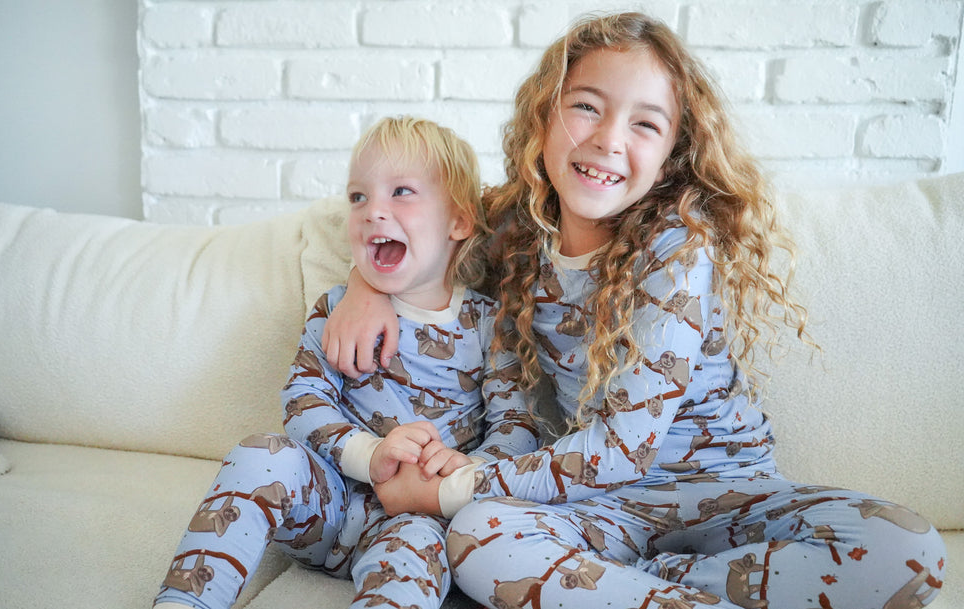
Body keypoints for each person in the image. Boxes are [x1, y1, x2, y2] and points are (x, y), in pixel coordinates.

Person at [322, 12, 947, 609]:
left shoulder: (677, 245)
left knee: (908, 551)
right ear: (544, 116)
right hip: (598, 506)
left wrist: (449, 490)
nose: (608, 139)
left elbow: (621, 448)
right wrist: (364, 285)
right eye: (586, 106)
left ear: (672, 152)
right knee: (479, 539)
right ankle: (641, 583)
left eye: (645, 124)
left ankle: (636, 584)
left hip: (725, 492)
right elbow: (421, 229)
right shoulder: (515, 223)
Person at [153, 116, 538, 609]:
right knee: (262, 453)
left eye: (401, 191)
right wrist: (371, 454)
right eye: (358, 197)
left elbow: (517, 423)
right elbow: (303, 400)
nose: (373, 211)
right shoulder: (336, 308)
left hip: (420, 521)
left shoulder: (489, 323)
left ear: (458, 221)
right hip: (331, 507)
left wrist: (463, 470)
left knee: (414, 553)